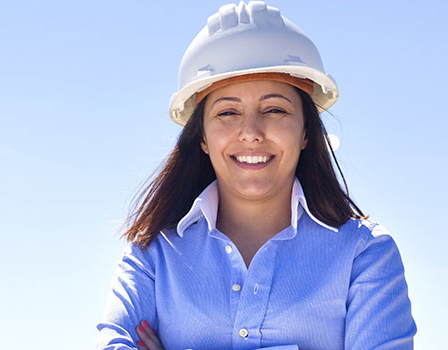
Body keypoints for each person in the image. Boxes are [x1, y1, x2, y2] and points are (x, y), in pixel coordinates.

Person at [95, 1, 417, 349]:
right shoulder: (152, 254)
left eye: (275, 109)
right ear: (201, 136)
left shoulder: (365, 254)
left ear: (306, 130)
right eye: (228, 112)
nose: (251, 132)